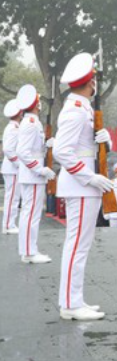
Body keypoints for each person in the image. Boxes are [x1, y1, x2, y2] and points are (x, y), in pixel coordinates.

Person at [54, 52, 115, 320]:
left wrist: (106, 140)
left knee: (81, 246)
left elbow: (88, 147)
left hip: (85, 185)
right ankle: (70, 304)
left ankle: (74, 299)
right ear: (91, 82)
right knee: (77, 245)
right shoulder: (75, 110)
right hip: (80, 186)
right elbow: (62, 152)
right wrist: (89, 178)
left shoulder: (84, 108)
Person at [16, 84, 56, 264]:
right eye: (38, 101)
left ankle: (29, 250)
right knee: (31, 213)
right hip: (33, 175)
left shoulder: (32, 122)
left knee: (31, 213)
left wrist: (46, 145)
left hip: (33, 174)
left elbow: (34, 149)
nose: (40, 104)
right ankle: (29, 252)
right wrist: (40, 169)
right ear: (35, 105)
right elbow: (22, 152)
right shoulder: (30, 124)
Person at [2, 99, 22, 235]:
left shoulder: (13, 127)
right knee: (12, 198)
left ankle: (10, 223)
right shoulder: (14, 128)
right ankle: (8, 225)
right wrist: (19, 164)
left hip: (11, 168)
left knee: (13, 197)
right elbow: (8, 150)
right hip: (13, 168)